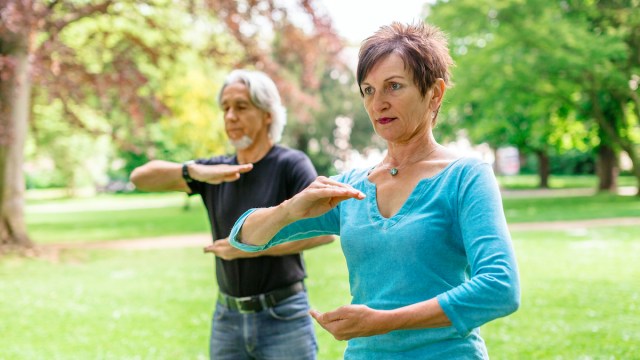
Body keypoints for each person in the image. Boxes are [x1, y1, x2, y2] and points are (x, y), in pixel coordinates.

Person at [228, 22, 520, 359]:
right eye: (368, 90)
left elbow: (501, 288)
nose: (378, 102)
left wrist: (384, 322)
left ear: (434, 93)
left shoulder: (465, 177)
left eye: (394, 86)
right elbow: (244, 238)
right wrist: (291, 209)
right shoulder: (350, 188)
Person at [130, 69, 334, 360]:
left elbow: (323, 231)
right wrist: (191, 170)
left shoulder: (291, 164)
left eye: (241, 106)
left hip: (283, 316)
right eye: (225, 108)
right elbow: (140, 178)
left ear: (267, 114)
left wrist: (248, 249)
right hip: (228, 318)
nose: (230, 116)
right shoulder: (215, 171)